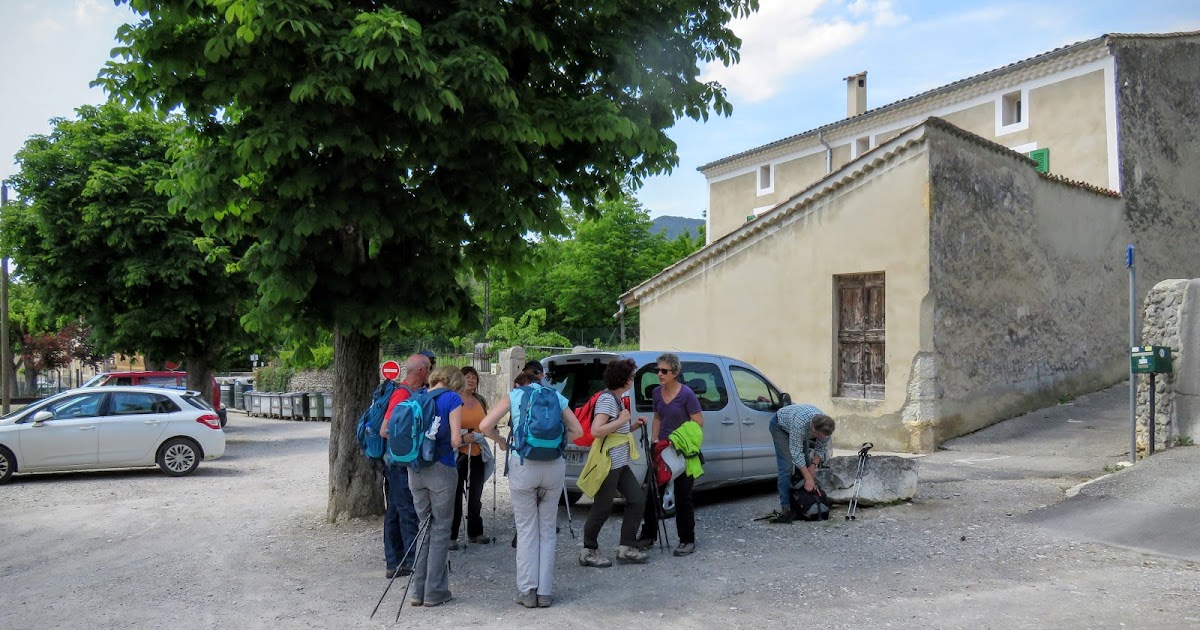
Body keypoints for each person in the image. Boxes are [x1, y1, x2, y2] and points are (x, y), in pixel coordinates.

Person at [479, 372, 583, 609]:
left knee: (526, 530)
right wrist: (559, 442)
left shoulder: (515, 395)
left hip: (524, 465)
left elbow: (485, 425)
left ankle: (527, 591)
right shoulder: (556, 397)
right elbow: (578, 431)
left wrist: (501, 440)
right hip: (554, 467)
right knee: (547, 530)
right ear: (541, 382)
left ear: (521, 383)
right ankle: (545, 593)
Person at [402, 365, 464, 607]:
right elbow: (455, 439)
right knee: (440, 530)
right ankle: (435, 591)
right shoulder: (452, 398)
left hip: (415, 469)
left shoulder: (419, 396)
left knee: (423, 528)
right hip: (441, 468)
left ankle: (418, 591)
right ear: (455, 381)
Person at [578, 358, 649, 567]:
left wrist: (633, 425)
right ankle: (588, 550)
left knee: (636, 499)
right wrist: (622, 419)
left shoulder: (617, 399)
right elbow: (597, 430)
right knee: (603, 506)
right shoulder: (608, 400)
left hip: (619, 462)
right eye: (632, 376)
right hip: (608, 462)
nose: (633, 379)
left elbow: (616, 431)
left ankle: (626, 547)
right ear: (624, 379)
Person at [638, 352, 703, 556]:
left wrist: (678, 438)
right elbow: (657, 417)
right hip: (661, 449)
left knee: (683, 496)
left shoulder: (687, 395)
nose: (659, 373)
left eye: (664, 370)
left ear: (675, 373)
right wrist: (654, 440)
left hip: (681, 451)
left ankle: (687, 540)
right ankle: (648, 536)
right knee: (651, 494)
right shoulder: (657, 393)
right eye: (658, 370)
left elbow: (698, 422)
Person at [376, 353, 429, 579]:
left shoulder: (411, 393)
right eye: (429, 368)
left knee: (397, 510)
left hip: (400, 461)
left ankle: (395, 561)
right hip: (398, 463)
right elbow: (385, 430)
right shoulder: (401, 395)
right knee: (405, 510)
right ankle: (408, 560)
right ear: (422, 370)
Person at [769, 404, 835, 524]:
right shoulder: (800, 424)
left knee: (807, 464)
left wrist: (813, 466)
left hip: (800, 429)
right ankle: (786, 509)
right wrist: (809, 478)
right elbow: (795, 454)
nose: (820, 438)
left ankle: (801, 504)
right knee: (787, 467)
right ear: (813, 429)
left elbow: (820, 449)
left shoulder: (826, 428)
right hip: (780, 425)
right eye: (818, 435)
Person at [450, 366, 490, 548]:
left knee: (476, 494)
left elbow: (487, 424)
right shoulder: (453, 400)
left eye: (474, 377)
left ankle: (475, 532)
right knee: (455, 494)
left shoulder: (480, 400)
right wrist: (462, 437)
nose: (471, 380)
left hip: (477, 452)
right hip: (459, 453)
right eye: (467, 377)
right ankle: (452, 535)